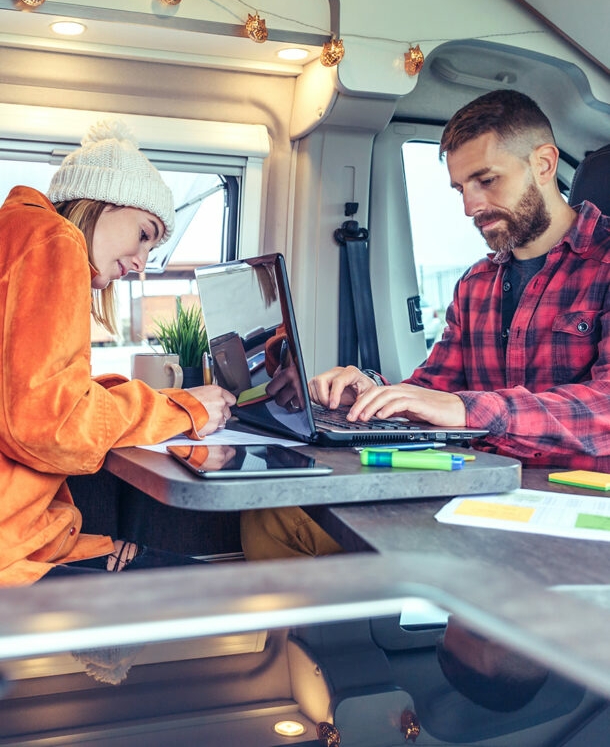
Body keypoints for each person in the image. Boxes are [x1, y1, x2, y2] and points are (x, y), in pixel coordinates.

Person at [241, 88, 610, 559]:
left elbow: (604, 408)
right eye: (460, 188)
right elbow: (432, 389)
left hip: (573, 509)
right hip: (475, 490)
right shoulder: (476, 283)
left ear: (543, 163)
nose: (470, 206)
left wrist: (467, 411)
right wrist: (372, 391)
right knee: (274, 515)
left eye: (486, 180)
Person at [0, 119, 235, 586]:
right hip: (16, 555)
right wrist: (182, 408)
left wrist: (152, 404)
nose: (141, 263)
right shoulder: (56, 239)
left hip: (27, 537)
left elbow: (29, 394)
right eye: (145, 234)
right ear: (104, 202)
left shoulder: (16, 230)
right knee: (214, 586)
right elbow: (54, 425)